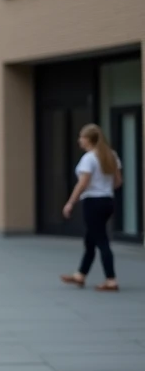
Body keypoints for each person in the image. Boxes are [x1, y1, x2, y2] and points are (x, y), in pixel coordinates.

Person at [61, 124, 122, 292]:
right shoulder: (112, 155)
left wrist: (70, 203)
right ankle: (80, 274)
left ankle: (111, 280)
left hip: (93, 202)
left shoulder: (89, 158)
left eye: (81, 136)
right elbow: (118, 181)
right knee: (91, 239)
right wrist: (104, 187)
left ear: (88, 139)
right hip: (107, 200)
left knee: (101, 240)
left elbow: (83, 183)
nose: (79, 140)